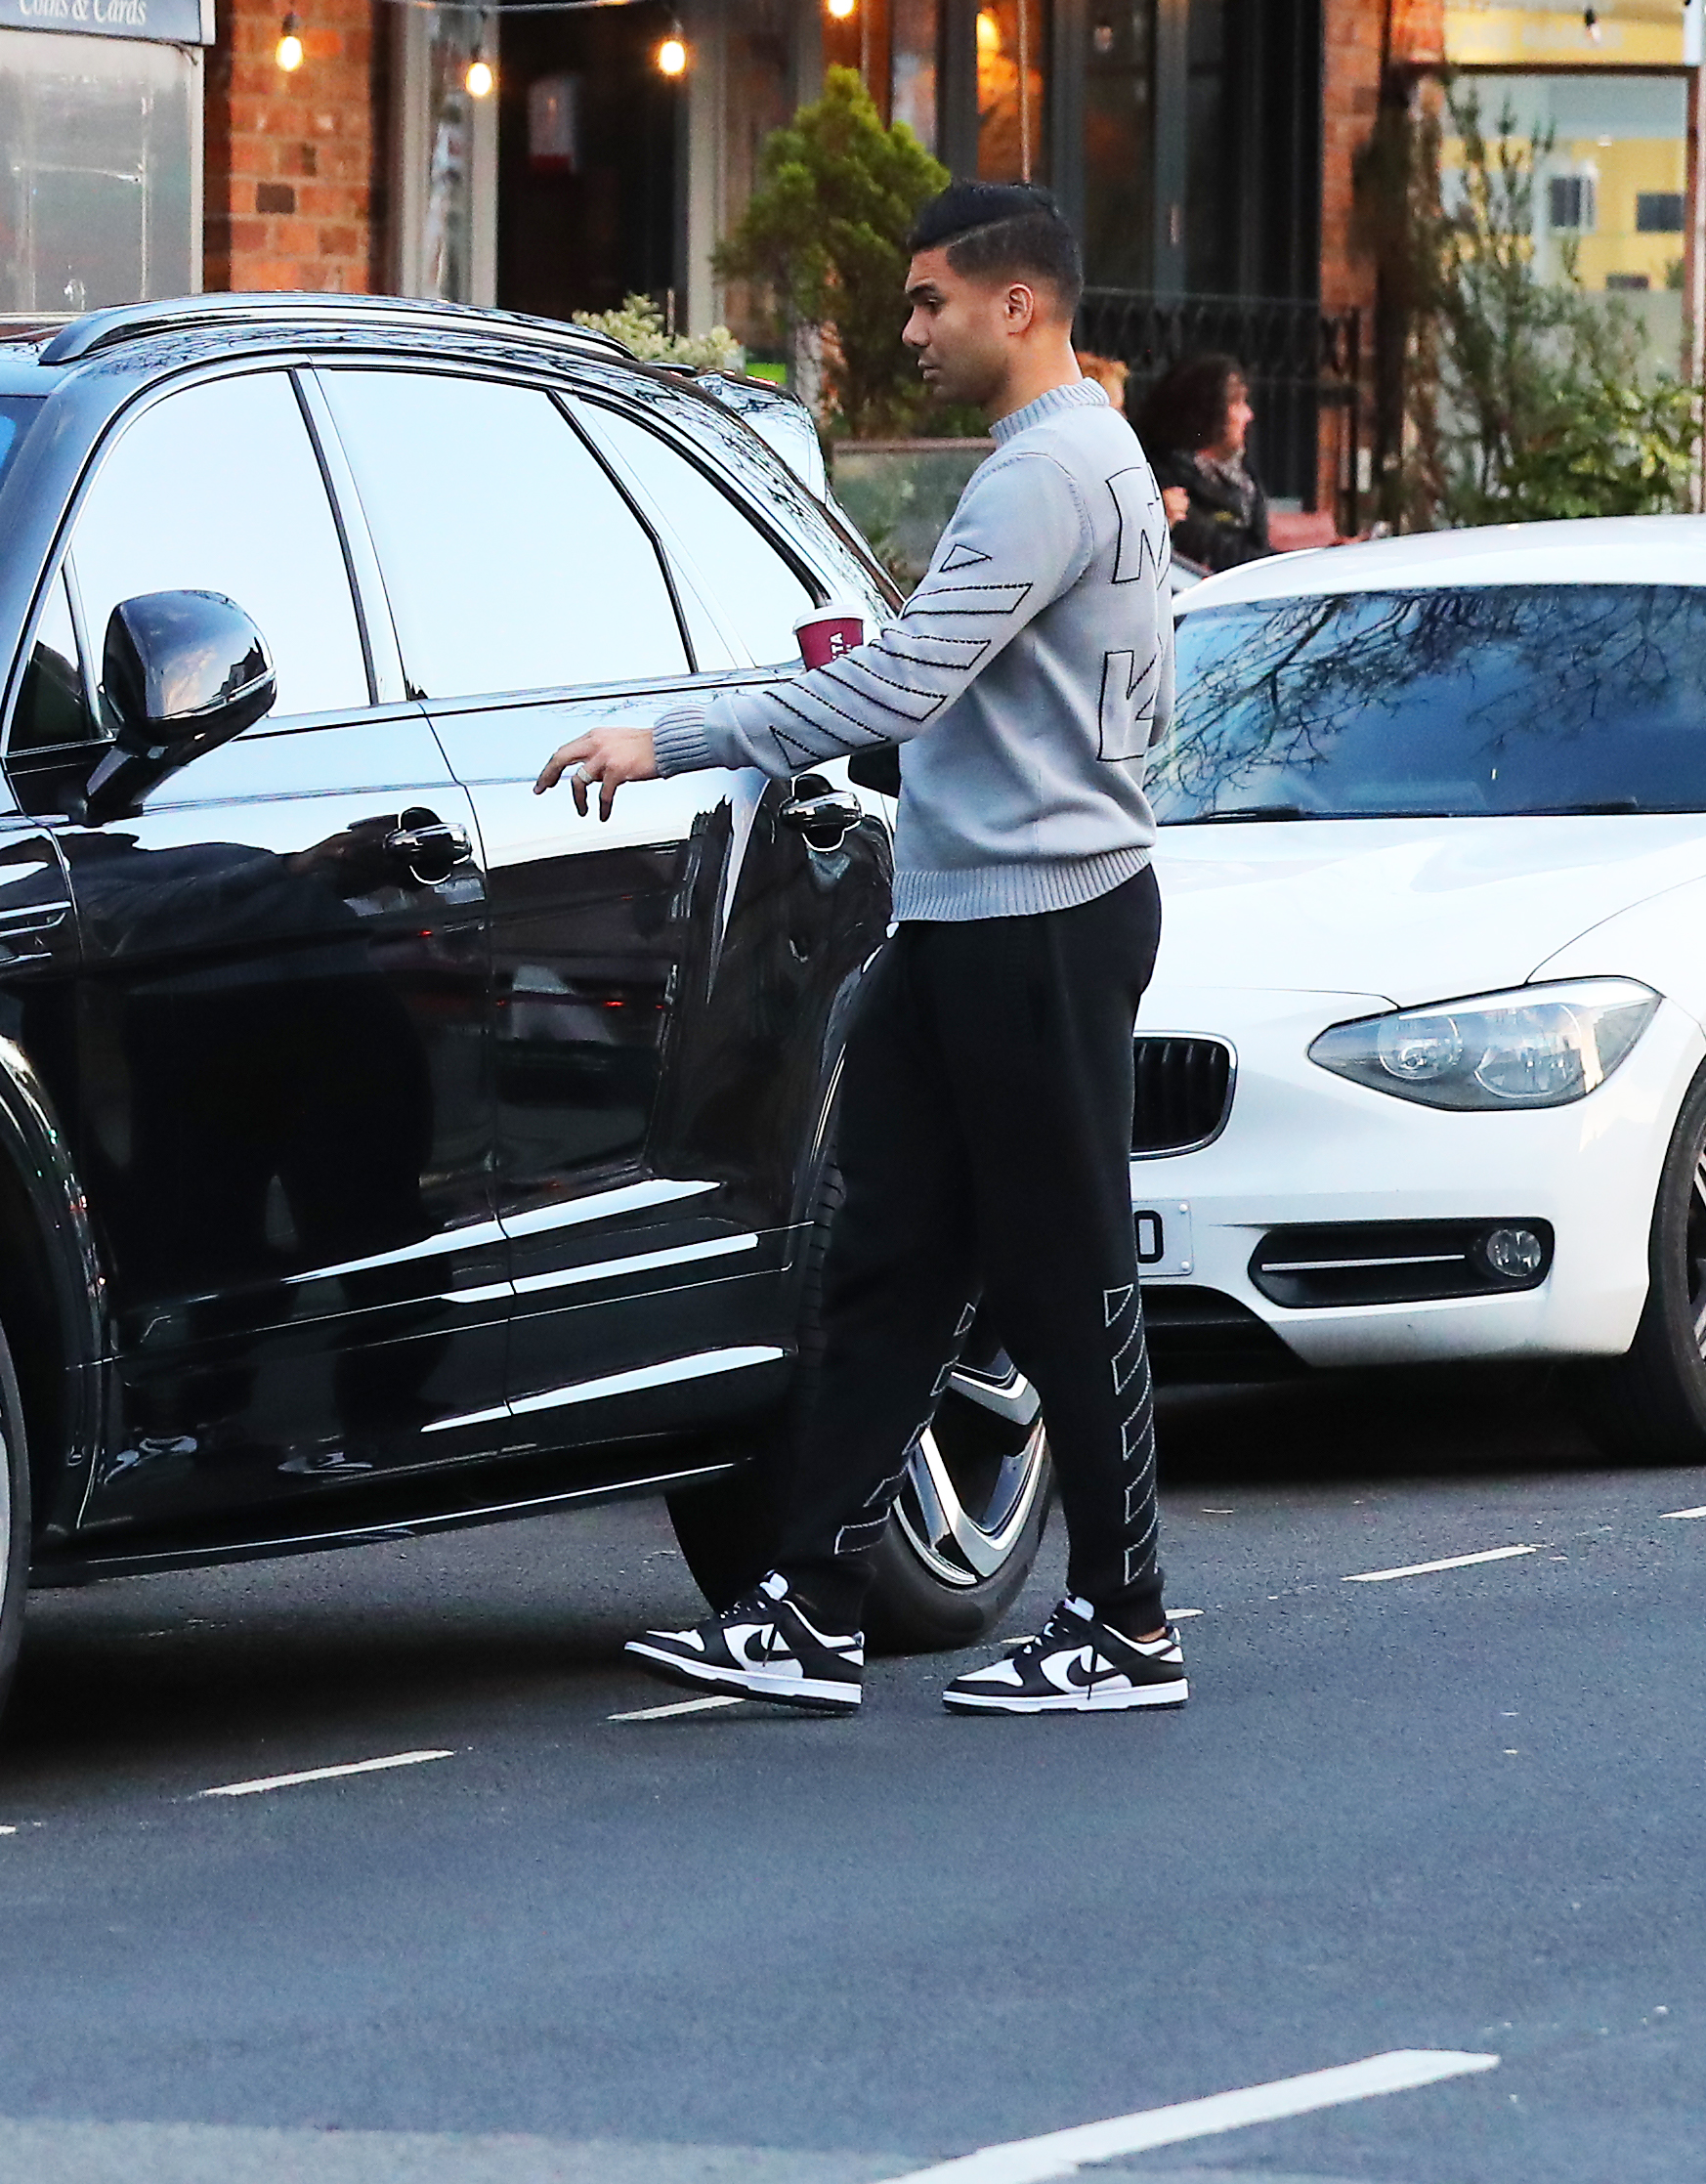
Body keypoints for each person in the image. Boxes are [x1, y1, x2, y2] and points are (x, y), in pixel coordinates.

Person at [535, 180, 1185, 1716]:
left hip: (1035, 922)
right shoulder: (1069, 458)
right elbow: (969, 692)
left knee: (1063, 1269)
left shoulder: (1051, 469)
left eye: (928, 302)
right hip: (971, 916)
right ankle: (807, 1602)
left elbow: (898, 686)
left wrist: (674, 734)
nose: (908, 329)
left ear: (1016, 304)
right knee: (890, 1256)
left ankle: (1125, 1618)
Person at [1135, 354, 1266, 573]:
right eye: (1237, 402)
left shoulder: (1243, 479)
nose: (1248, 415)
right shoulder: (1168, 484)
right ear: (1205, 411)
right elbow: (1226, 555)